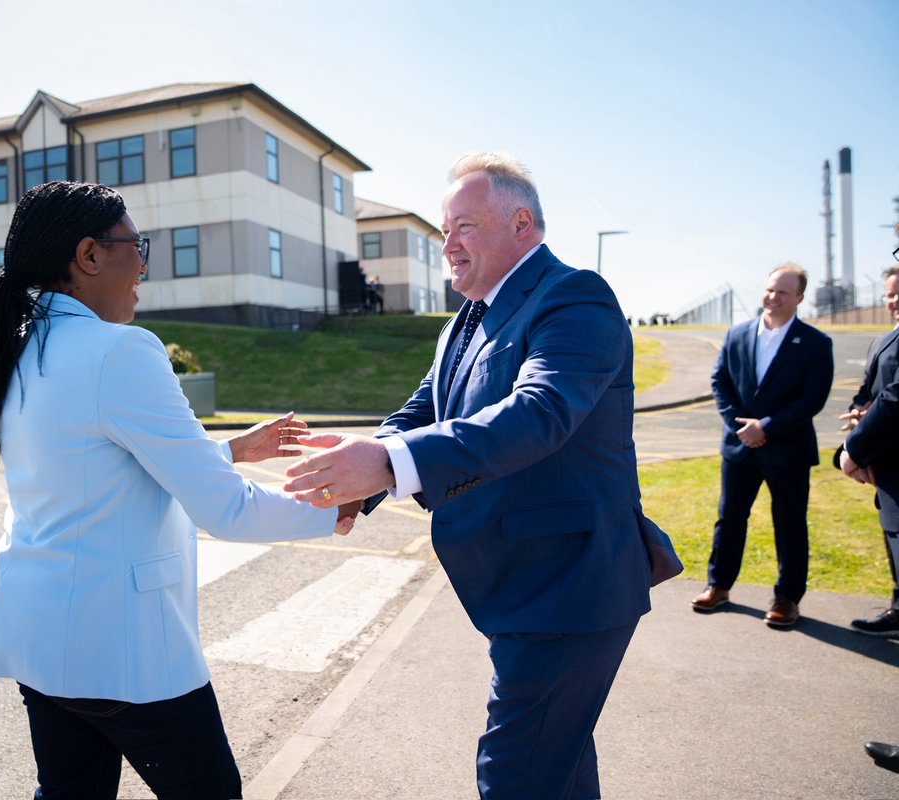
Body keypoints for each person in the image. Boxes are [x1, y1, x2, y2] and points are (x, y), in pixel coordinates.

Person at [282, 152, 659, 799]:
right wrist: (370, 468)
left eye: (463, 226)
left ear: (521, 224)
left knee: (512, 776)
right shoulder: (468, 317)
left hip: (568, 586)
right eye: (443, 229)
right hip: (523, 585)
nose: (447, 244)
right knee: (556, 771)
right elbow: (423, 408)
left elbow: (538, 414)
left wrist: (389, 465)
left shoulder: (573, 297)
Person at [0, 180, 357, 800]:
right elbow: (225, 509)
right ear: (88, 256)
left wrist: (230, 448)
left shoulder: (21, 345)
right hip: (118, 645)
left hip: (40, 635)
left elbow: (93, 467)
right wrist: (332, 507)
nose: (144, 264)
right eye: (134, 245)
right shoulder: (121, 350)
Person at [693, 264, 833, 626]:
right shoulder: (738, 334)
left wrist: (766, 427)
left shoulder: (817, 343)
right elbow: (720, 380)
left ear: (800, 298)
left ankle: (787, 598)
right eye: (770, 289)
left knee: (790, 524)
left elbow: (813, 399)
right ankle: (719, 586)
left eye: (784, 292)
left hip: (788, 449)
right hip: (739, 446)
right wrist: (739, 425)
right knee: (730, 519)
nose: (773, 297)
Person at [835, 263, 899, 637]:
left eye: (897, 294)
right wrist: (859, 417)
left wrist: (855, 451)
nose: (892, 301)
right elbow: (869, 393)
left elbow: (894, 400)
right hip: (885, 464)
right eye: (888, 294)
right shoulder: (881, 340)